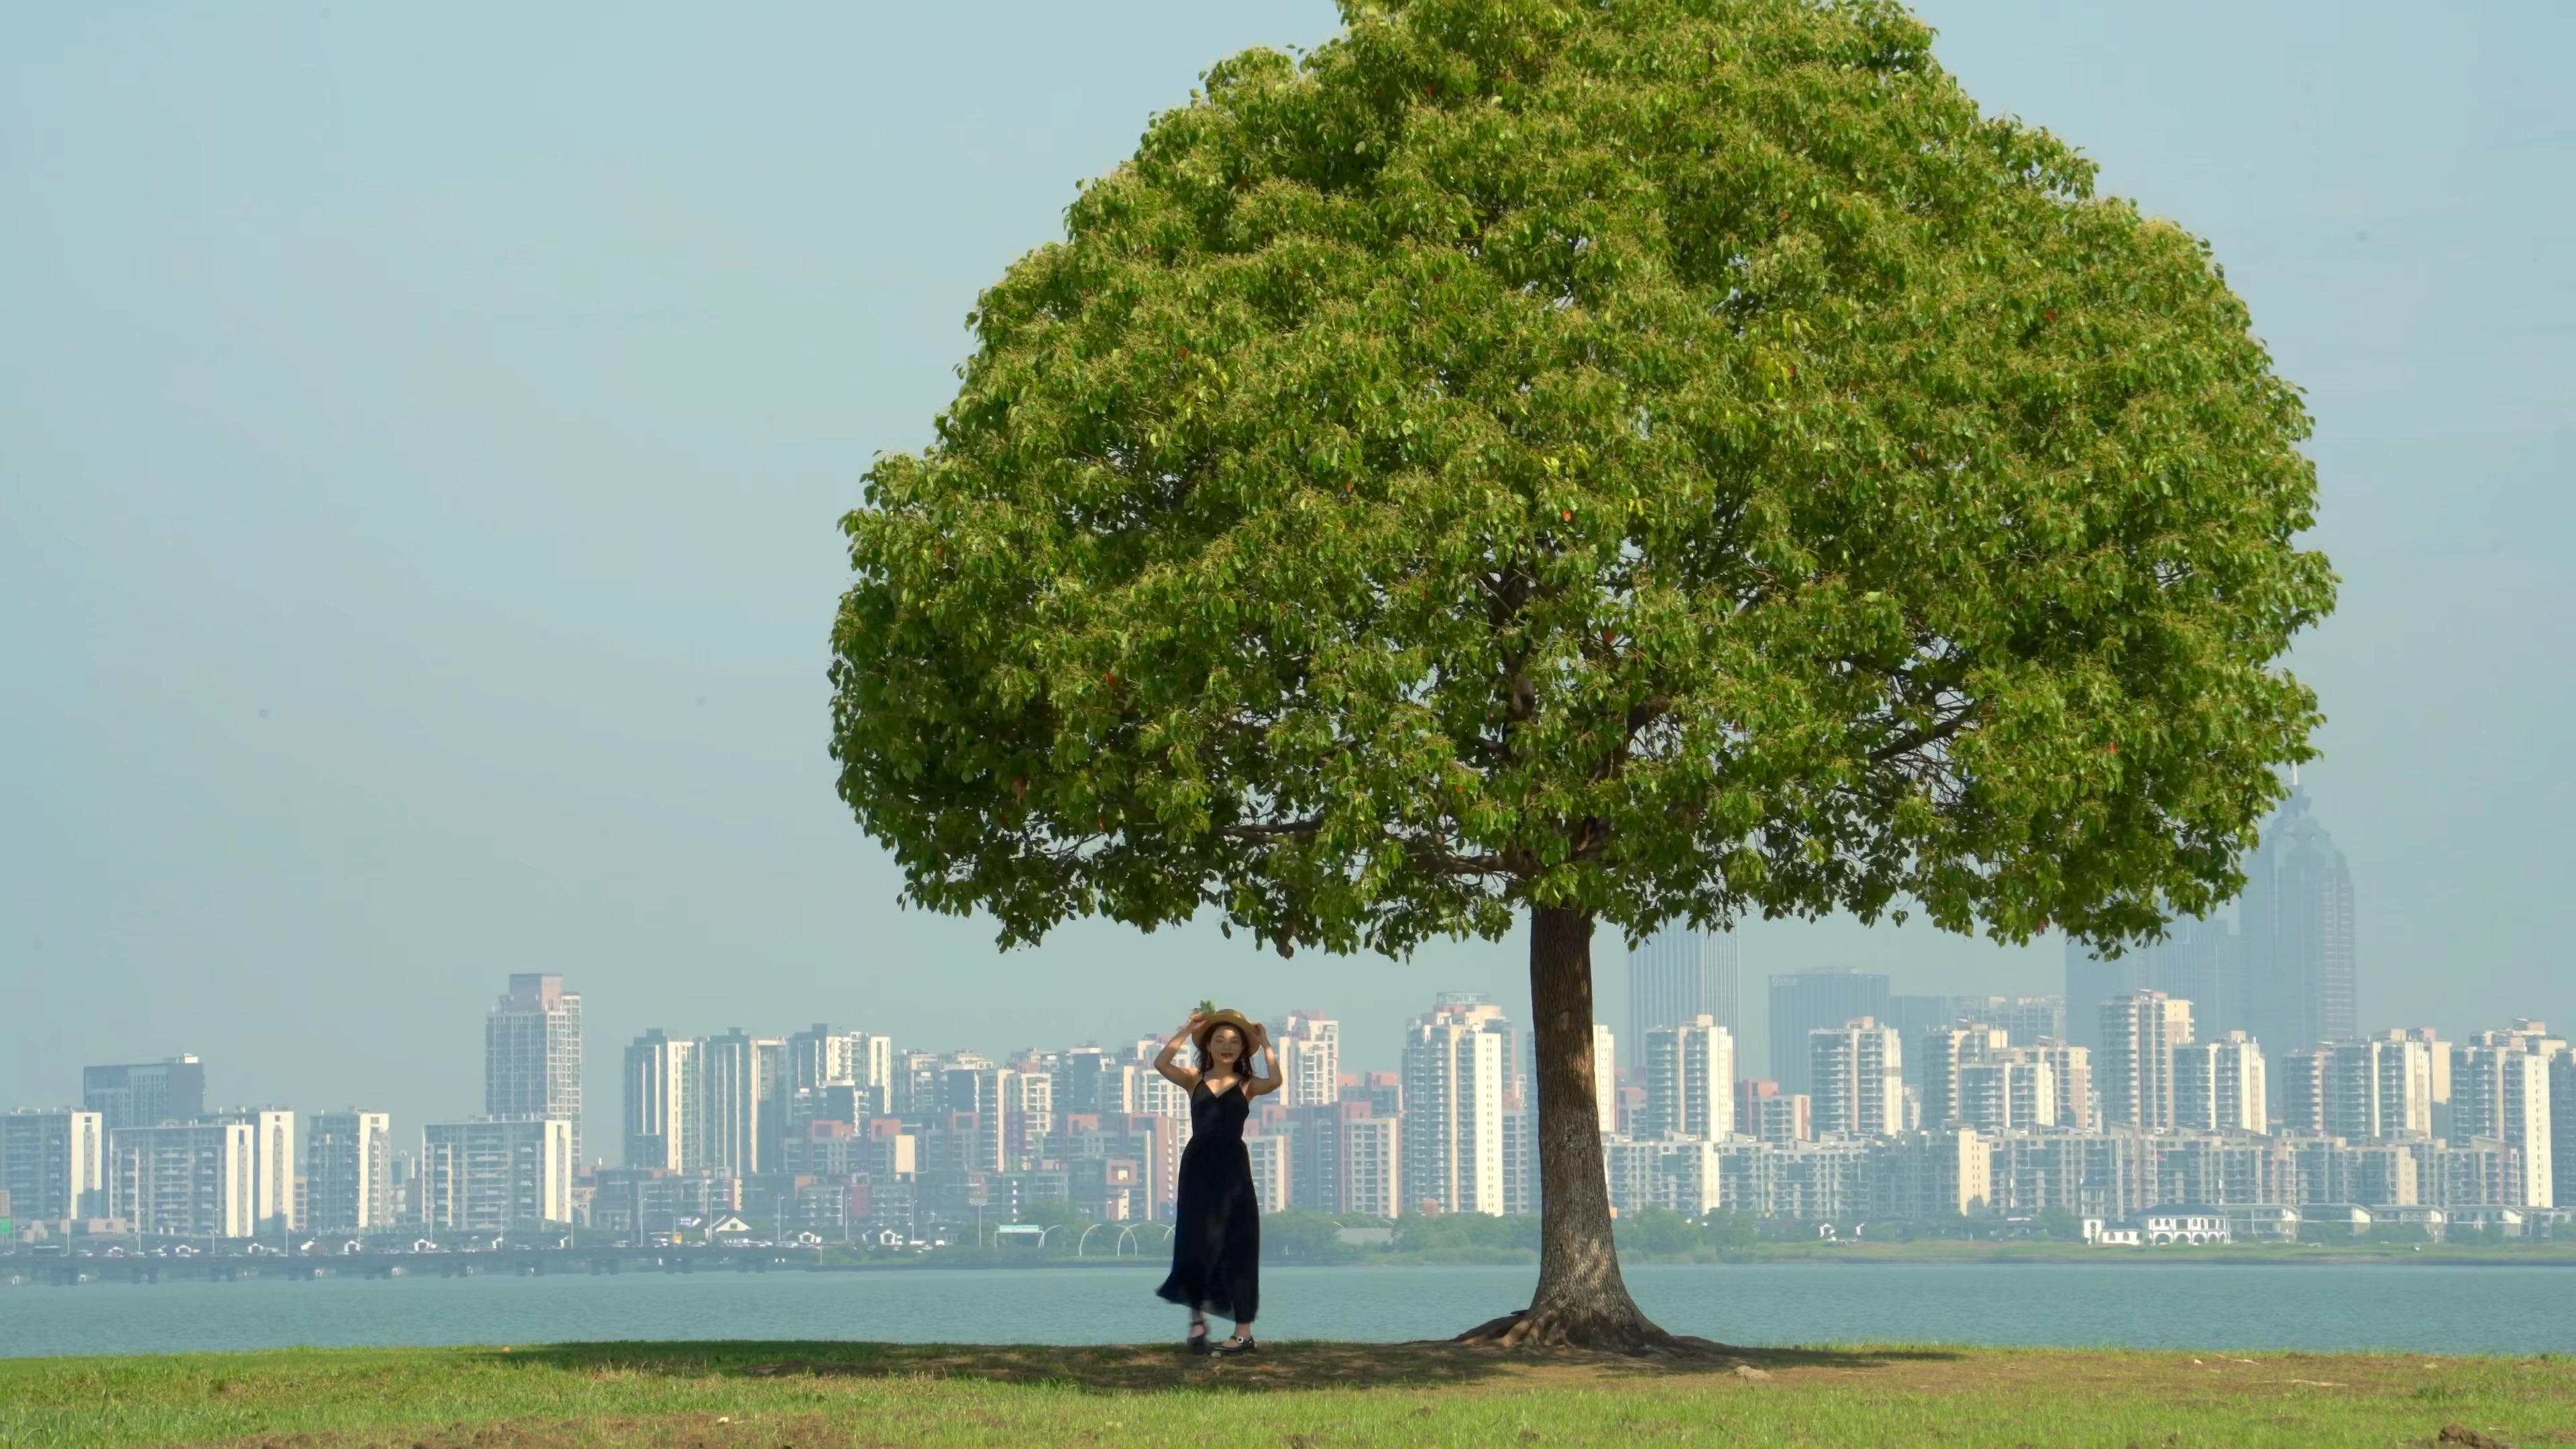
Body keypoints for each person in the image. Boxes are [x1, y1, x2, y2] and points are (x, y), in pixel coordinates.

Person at [1152, 1006, 1281, 1356]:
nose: (1227, 1046)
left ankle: (1243, 1333)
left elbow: (1277, 1080)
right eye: (1220, 1039)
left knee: (1240, 1245)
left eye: (1235, 1041)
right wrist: (1184, 1029)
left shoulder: (1247, 1085)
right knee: (1197, 1243)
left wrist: (1266, 1043)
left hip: (1234, 1169)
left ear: (1242, 1050)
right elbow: (1161, 1064)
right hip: (1197, 1167)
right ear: (1208, 1045)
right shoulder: (1194, 1079)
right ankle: (1197, 1325)